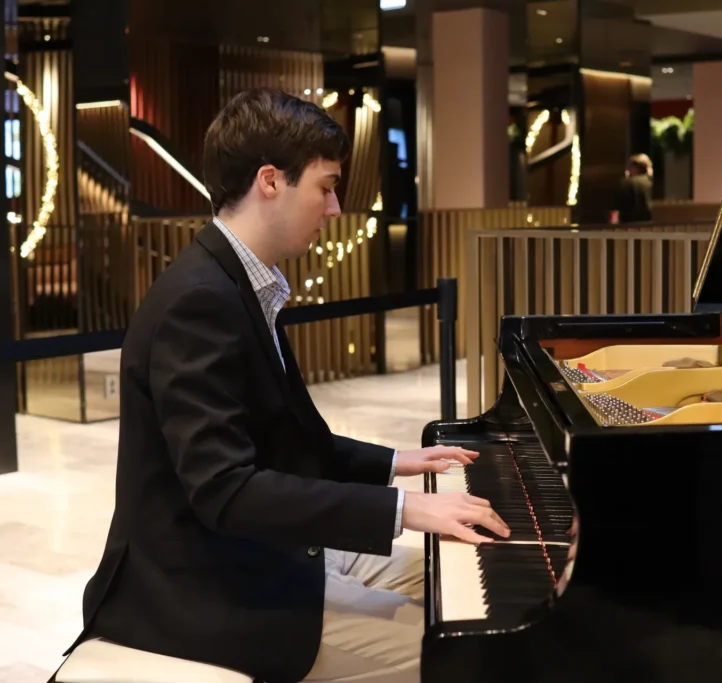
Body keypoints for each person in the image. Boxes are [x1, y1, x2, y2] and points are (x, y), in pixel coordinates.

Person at [65, 87, 510, 683]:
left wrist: (401, 463)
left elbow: (290, 440)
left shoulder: (239, 280)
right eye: (326, 187)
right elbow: (226, 490)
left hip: (251, 558)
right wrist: (406, 509)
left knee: (453, 581)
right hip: (204, 592)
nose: (333, 209)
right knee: (464, 654)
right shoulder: (201, 299)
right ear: (270, 181)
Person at [612, 153, 654, 223]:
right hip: (647, 223)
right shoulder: (649, 182)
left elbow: (616, 207)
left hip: (628, 224)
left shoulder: (626, 183)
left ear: (634, 167)